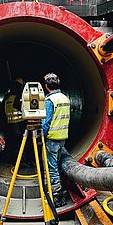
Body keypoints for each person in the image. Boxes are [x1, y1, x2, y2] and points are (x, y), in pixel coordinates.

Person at [41, 72, 70, 207]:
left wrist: (42, 136)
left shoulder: (50, 100)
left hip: (52, 138)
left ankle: (57, 197)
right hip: (62, 137)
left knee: (52, 168)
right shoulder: (65, 98)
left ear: (46, 86)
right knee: (57, 165)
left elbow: (46, 122)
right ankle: (61, 193)